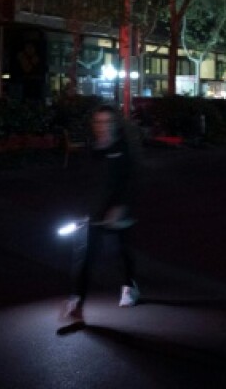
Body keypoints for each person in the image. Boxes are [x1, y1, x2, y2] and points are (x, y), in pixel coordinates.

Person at [61, 104, 142, 325]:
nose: (103, 127)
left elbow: (132, 180)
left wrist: (121, 206)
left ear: (115, 124)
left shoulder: (123, 149)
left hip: (119, 211)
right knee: (85, 258)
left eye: (108, 122)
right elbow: (82, 183)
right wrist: (79, 210)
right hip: (94, 214)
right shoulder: (90, 151)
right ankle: (77, 302)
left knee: (122, 251)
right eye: (98, 122)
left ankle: (129, 286)